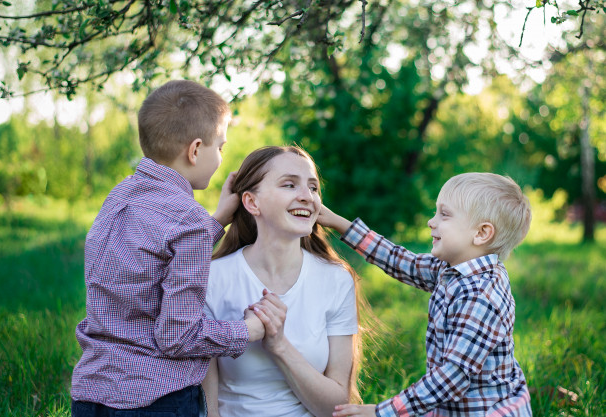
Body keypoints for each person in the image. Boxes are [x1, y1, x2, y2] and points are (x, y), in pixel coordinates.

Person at [70, 80, 265, 417]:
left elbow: (150, 253)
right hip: (156, 400)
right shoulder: (188, 220)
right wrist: (247, 330)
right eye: (220, 147)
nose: (221, 157)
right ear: (195, 150)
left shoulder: (119, 196)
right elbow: (178, 337)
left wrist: (217, 220)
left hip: (92, 394)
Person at [319, 172, 533, 417]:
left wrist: (383, 412)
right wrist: (338, 223)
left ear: (482, 233)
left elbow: (452, 376)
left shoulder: (481, 296)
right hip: (453, 405)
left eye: (444, 214)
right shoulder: (452, 268)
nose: (432, 222)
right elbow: (400, 261)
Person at [202, 145, 361, 417]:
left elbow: (335, 407)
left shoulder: (336, 279)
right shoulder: (211, 278)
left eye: (313, 188)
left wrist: (279, 346)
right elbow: (208, 407)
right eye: (289, 185)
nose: (307, 197)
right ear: (252, 203)